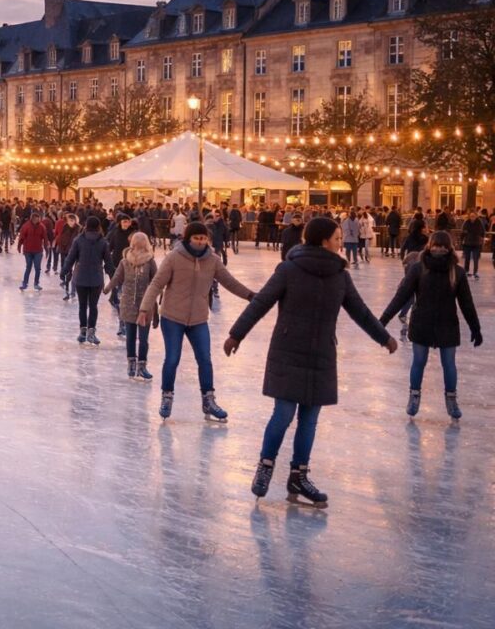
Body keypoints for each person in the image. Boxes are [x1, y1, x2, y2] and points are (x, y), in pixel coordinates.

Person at [225, 217, 397, 509]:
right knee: (283, 413)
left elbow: (361, 312)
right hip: (289, 351)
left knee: (310, 419)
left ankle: (298, 476)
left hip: (320, 354)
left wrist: (384, 337)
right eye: (337, 238)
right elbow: (261, 302)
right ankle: (266, 467)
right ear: (322, 240)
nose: (341, 242)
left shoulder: (340, 275)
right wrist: (236, 334)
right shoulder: (289, 269)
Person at [138, 222, 255, 422]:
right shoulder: (174, 257)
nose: (200, 242)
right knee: (172, 358)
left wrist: (251, 296)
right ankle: (167, 396)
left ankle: (208, 400)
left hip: (199, 318)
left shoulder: (213, 260)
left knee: (205, 359)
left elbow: (229, 282)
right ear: (188, 238)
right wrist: (144, 308)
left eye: (203, 238)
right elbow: (157, 283)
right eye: (196, 238)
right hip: (172, 317)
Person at [379, 230, 482, 420]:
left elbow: (466, 303)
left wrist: (475, 327)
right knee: (419, 361)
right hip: (422, 323)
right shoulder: (418, 269)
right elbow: (401, 296)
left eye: (443, 246)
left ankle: (451, 400)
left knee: (449, 364)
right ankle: (414, 396)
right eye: (436, 245)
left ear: (449, 248)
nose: (439, 249)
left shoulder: (457, 272)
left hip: (447, 324)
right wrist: (383, 320)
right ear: (429, 246)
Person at [102, 232, 159, 382]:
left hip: (145, 304)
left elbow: (156, 280)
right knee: (131, 337)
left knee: (143, 338)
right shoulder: (125, 261)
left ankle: (142, 365)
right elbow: (117, 277)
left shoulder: (149, 261)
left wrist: (161, 295)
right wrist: (108, 288)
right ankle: (132, 364)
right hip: (128, 303)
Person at [62, 216, 111, 346]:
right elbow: (109, 263)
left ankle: (83, 331)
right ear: (98, 227)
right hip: (96, 279)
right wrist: (113, 277)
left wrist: (64, 271)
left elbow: (70, 258)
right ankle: (91, 332)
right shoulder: (103, 242)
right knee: (93, 306)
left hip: (81, 277)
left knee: (83, 305)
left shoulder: (78, 240)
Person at [17, 210, 48, 291]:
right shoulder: (26, 226)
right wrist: (19, 246)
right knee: (28, 267)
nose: (36, 220)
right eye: (35, 219)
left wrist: (46, 249)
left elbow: (45, 238)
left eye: (38, 219)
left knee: (37, 268)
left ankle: (36, 283)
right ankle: (25, 283)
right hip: (28, 250)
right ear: (32, 219)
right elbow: (22, 237)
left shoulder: (42, 227)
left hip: (38, 251)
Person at [460, 210, 485, 279]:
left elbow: (482, 232)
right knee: (467, 258)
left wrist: (482, 239)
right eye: (471, 216)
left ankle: (475, 272)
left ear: (476, 216)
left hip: (476, 244)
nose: (472, 218)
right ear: (469, 216)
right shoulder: (466, 222)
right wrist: (462, 240)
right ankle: (466, 271)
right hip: (467, 243)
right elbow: (463, 232)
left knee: (475, 258)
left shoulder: (479, 223)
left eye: (473, 216)